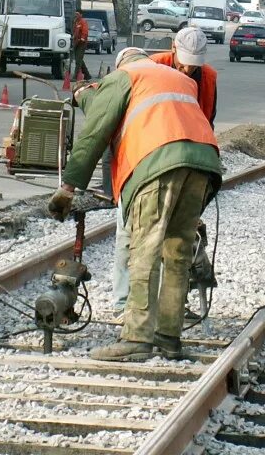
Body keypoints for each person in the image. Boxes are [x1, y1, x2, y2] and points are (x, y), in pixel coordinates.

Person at [48, 47, 222, 362]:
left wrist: (68, 188)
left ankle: (137, 338)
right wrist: (84, 96)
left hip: (159, 164)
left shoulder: (123, 77)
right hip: (203, 163)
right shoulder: (174, 77)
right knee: (178, 254)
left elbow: (95, 133)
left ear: (119, 66)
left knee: (145, 251)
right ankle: (169, 337)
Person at [109, 27, 218, 316]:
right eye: (184, 61)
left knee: (177, 242)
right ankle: (125, 304)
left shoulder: (207, 78)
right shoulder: (151, 66)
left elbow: (206, 120)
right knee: (131, 235)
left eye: (193, 64)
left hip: (185, 160)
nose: (187, 68)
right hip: (144, 157)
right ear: (172, 49)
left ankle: (173, 307)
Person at [72, 11, 92, 81]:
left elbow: (85, 32)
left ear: (81, 14)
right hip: (76, 43)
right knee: (79, 59)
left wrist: (82, 39)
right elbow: (74, 32)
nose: (76, 15)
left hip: (81, 43)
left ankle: (75, 76)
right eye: (75, 14)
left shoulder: (83, 22)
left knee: (78, 61)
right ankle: (87, 75)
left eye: (77, 14)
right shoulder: (75, 22)